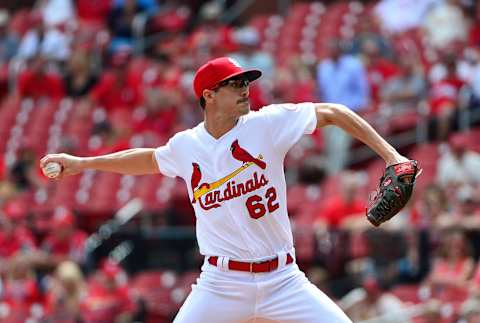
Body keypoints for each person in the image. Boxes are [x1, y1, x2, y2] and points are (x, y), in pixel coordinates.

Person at [41, 56, 410, 323]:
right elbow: (150, 159)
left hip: (283, 279)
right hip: (221, 282)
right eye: (234, 83)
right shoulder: (187, 146)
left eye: (246, 82)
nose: (245, 88)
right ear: (209, 95)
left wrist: (393, 155)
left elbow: (333, 112)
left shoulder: (266, 124)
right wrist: (83, 163)